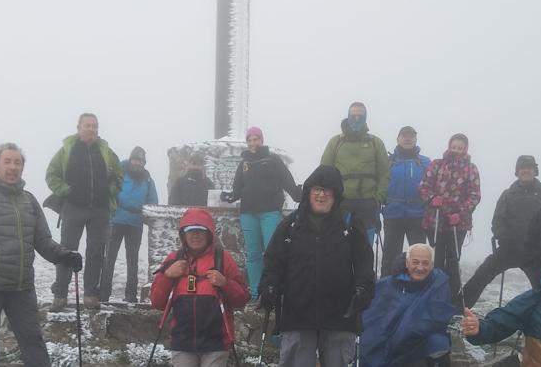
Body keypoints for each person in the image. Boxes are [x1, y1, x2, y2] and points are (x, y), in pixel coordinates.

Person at [0, 143, 82, 367]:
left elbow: (42, 240)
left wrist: (65, 256)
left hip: (22, 287)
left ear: (23, 167)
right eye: (7, 161)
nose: (13, 167)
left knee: (33, 342)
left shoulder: (29, 200)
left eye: (18, 162)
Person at [260, 165, 375, 367]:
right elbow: (273, 261)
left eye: (327, 190)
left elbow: (364, 262)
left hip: (340, 314)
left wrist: (364, 287)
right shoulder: (291, 225)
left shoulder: (350, 224)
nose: (321, 195)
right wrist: (269, 285)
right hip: (297, 313)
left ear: (336, 194)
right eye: (317, 189)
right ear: (308, 192)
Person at [150, 207, 250, 367]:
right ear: (183, 234)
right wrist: (167, 276)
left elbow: (242, 299)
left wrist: (225, 283)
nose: (195, 235)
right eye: (190, 230)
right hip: (182, 343)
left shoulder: (223, 259)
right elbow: (157, 302)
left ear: (209, 233)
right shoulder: (174, 258)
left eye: (200, 230)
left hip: (216, 343)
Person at [45, 113, 123, 310]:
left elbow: (119, 175)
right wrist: (66, 191)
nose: (91, 129)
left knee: (96, 252)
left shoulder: (105, 151)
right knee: (66, 251)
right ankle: (60, 295)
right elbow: (51, 174)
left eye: (94, 126)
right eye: (87, 125)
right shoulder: (67, 150)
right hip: (73, 208)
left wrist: (110, 190)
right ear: (78, 127)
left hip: (100, 209)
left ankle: (90, 295)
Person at [220, 126, 301, 300]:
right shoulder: (244, 163)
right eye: (249, 139)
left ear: (262, 141)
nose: (252, 142)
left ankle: (275, 290)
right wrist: (230, 196)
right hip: (248, 214)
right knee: (254, 254)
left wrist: (298, 194)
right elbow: (238, 189)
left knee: (273, 252)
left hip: (270, 212)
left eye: (256, 139)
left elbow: (287, 181)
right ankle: (257, 293)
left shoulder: (273, 160)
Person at [462, 155, 541, 307]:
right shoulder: (507, 194)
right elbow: (497, 220)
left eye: (529, 168)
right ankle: (459, 307)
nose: (525, 171)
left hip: (535, 252)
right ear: (517, 171)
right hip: (509, 249)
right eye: (522, 168)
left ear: (535, 170)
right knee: (481, 275)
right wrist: (502, 235)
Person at [361, 243, 458, 367]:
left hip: (418, 345)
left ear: (432, 265)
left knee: (438, 343)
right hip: (387, 344)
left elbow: (436, 318)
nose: (420, 267)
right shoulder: (388, 284)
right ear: (407, 263)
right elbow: (373, 318)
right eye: (415, 262)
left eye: (425, 263)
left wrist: (405, 335)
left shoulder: (439, 284)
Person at [419, 133, 481, 308]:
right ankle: (432, 296)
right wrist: (432, 198)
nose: (456, 151)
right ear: (449, 146)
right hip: (435, 220)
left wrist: (460, 213)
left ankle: (453, 301)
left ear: (465, 149)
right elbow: (424, 186)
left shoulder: (471, 169)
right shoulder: (437, 165)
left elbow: (475, 195)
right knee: (436, 260)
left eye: (460, 148)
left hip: (457, 224)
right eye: (454, 147)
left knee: (453, 261)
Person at [321, 101, 391, 244]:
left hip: (368, 203)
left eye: (360, 116)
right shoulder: (335, 142)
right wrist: (329, 199)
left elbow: (384, 173)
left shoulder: (376, 142)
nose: (357, 119)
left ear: (365, 117)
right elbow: (324, 172)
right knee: (339, 246)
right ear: (348, 116)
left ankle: (364, 267)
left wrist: (378, 198)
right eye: (353, 116)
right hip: (342, 202)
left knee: (365, 249)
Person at [100, 146, 158, 303]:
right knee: (109, 258)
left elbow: (153, 202)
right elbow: (107, 191)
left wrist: (147, 215)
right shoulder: (118, 172)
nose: (137, 163)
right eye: (135, 159)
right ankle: (103, 294)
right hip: (115, 220)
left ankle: (131, 295)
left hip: (135, 223)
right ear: (130, 159)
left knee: (132, 260)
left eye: (140, 160)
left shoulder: (147, 179)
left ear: (144, 163)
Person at [380, 126, 430, 276]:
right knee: (390, 256)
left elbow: (433, 186)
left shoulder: (425, 162)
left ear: (415, 139)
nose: (407, 139)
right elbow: (380, 184)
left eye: (411, 136)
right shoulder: (388, 162)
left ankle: (418, 290)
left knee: (418, 257)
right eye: (404, 136)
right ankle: (387, 290)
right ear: (398, 139)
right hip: (393, 214)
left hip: (418, 215)